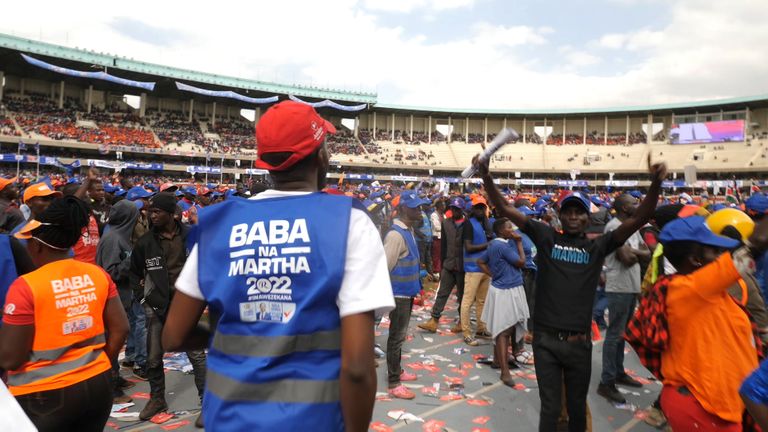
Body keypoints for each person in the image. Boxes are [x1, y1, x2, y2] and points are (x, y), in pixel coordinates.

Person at [162, 100, 394, 431]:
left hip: (229, 421)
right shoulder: (349, 222)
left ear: (268, 163)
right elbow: (358, 367)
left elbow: (172, 336)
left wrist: (242, 335)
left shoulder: (219, 225)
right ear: (321, 154)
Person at [477, 153, 667, 432]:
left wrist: (656, 183)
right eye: (569, 211)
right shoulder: (546, 237)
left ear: (588, 218)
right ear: (561, 215)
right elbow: (506, 209)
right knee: (551, 410)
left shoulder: (598, 246)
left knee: (577, 411)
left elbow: (639, 218)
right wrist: (486, 177)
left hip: (579, 344)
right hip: (546, 343)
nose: (574, 216)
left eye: (579, 212)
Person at [0, 196, 129, 432]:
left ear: (37, 245)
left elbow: (11, 359)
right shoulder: (97, 274)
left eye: (27, 243)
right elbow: (121, 328)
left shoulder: (26, 286)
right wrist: (102, 362)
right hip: (98, 386)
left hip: (43, 395)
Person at [656, 215, 768, 431]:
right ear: (695, 260)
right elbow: (759, 240)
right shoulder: (692, 289)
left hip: (714, 403)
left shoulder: (705, 292)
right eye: (715, 251)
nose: (723, 255)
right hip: (705, 407)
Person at [129, 192, 207, 423]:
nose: (151, 215)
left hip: (187, 307)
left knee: (197, 357)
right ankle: (157, 399)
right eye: (150, 211)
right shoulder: (145, 243)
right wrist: (143, 298)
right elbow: (134, 273)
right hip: (157, 307)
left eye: (157, 212)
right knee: (153, 358)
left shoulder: (192, 235)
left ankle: (208, 403)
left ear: (171, 213)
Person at [597, 194, 648, 404]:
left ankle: (618, 372)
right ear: (623, 207)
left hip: (630, 286)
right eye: (633, 203)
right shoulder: (613, 227)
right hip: (618, 285)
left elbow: (648, 251)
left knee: (622, 334)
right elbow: (626, 259)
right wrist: (637, 253)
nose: (637, 205)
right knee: (615, 333)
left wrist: (634, 251)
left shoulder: (632, 227)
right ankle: (606, 382)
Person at [384, 190, 429, 400]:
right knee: (396, 338)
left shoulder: (408, 231)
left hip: (407, 293)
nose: (420, 210)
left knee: (399, 337)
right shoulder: (395, 235)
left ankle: (398, 371)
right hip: (398, 295)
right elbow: (385, 266)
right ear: (403, 209)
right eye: (416, 207)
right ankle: (394, 382)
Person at [96, 200, 147, 380]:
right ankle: (112, 382)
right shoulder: (113, 239)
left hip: (124, 295)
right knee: (112, 338)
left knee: (128, 328)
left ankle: (120, 372)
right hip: (113, 299)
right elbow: (110, 272)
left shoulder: (121, 236)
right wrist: (134, 260)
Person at [477, 217, 528, 387]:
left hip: (504, 287)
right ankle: (505, 372)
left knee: (505, 327)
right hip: (506, 290)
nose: (512, 229)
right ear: (500, 231)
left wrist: (492, 274)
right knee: (504, 330)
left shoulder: (494, 245)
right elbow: (521, 262)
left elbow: (481, 261)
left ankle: (498, 361)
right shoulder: (502, 246)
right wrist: (519, 243)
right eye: (508, 227)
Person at [418, 197, 465, 334]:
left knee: (462, 296)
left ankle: (462, 321)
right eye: (452, 208)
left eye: (457, 209)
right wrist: (444, 262)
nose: (454, 211)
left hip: (462, 266)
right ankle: (434, 320)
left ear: (461, 210)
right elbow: (444, 244)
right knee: (442, 293)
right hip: (449, 264)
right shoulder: (446, 223)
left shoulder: (467, 224)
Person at [461, 196, 493, 346]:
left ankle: (481, 328)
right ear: (473, 209)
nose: (480, 210)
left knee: (482, 301)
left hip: (485, 268)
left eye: (483, 207)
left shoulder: (485, 224)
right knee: (468, 301)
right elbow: (468, 247)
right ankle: (466, 332)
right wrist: (488, 244)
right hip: (473, 269)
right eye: (478, 207)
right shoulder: (469, 224)